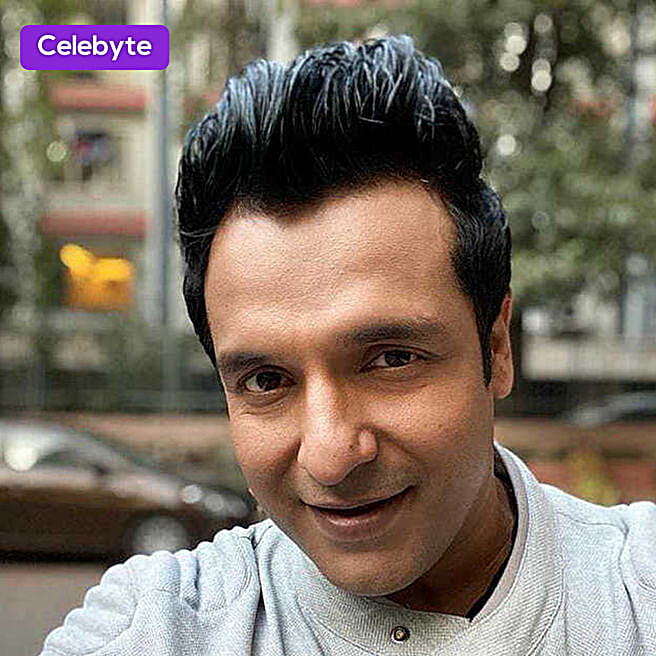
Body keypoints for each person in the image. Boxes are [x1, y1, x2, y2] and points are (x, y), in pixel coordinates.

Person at [40, 35, 655, 656]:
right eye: (265, 380)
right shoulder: (159, 628)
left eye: (392, 359)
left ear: (495, 348)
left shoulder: (637, 598)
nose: (330, 457)